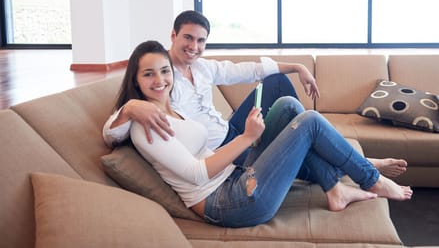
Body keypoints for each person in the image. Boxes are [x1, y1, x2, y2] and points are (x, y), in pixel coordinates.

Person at [106, 40, 412, 228]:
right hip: (230, 203)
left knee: (291, 107)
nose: (160, 79)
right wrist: (248, 138)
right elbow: (197, 175)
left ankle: (337, 187)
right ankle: (371, 177)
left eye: (163, 71)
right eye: (148, 74)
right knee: (310, 122)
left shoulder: (172, 108)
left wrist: (259, 140)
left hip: (234, 177)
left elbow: (247, 72)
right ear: (134, 78)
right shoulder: (144, 123)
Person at [103, 10, 407, 177]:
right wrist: (130, 108)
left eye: (201, 41)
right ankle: (357, 164)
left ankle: (333, 150)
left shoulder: (203, 68)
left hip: (231, 130)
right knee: (298, 133)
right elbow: (111, 134)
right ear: (173, 35)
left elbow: (247, 69)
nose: (194, 47)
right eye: (187, 38)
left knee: (275, 84)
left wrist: (297, 67)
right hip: (223, 150)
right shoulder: (160, 79)